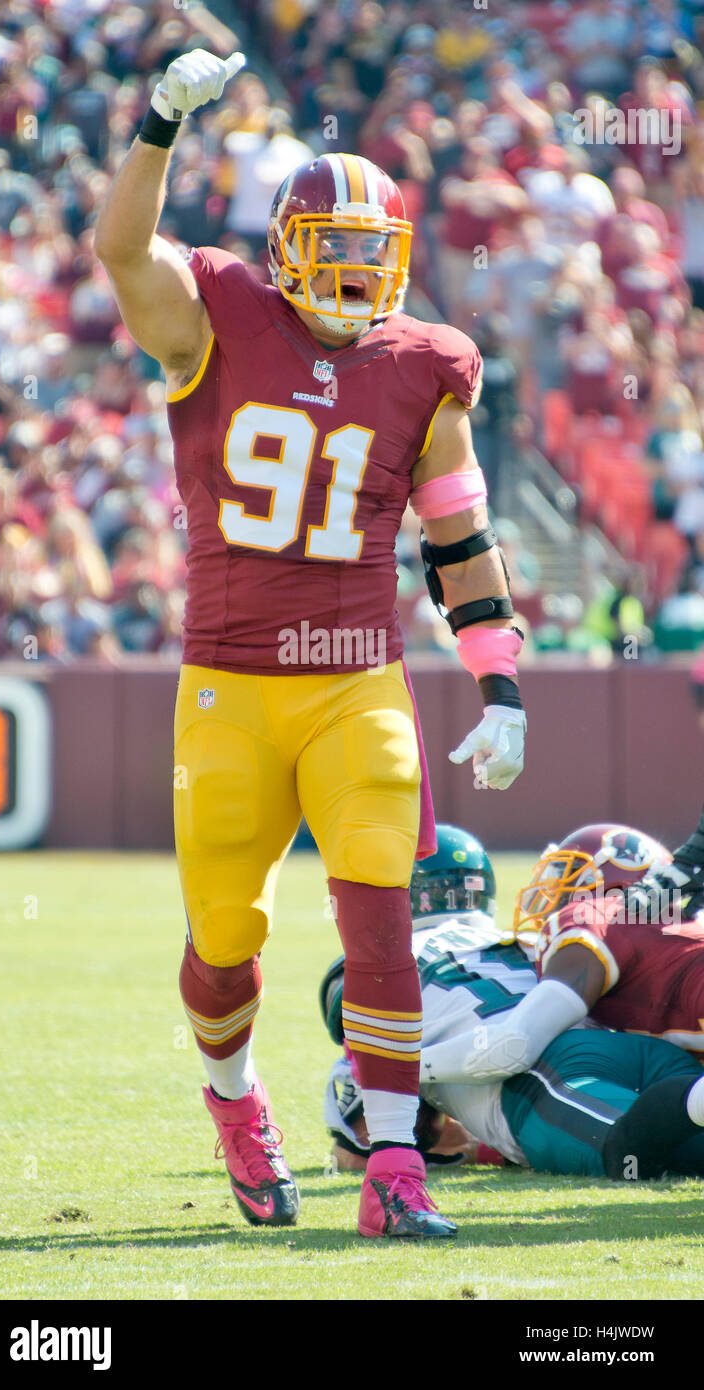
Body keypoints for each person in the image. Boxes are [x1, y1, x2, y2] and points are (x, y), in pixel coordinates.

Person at [94, 49, 527, 1239]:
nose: (347, 271)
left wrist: (501, 685)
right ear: (288, 251)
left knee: (381, 913)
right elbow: (124, 251)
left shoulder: (424, 367)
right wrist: (158, 124)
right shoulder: (219, 316)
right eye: (328, 249)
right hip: (229, 689)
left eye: (368, 253)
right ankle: (234, 1098)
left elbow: (460, 537)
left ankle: (394, 1170)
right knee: (226, 941)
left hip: (356, 684)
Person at [321, 826, 704, 1180]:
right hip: (630, 1051)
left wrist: (396, 1072)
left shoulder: (378, 965)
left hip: (536, 1074)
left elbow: (358, 1145)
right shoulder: (520, 942)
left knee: (632, 1156)